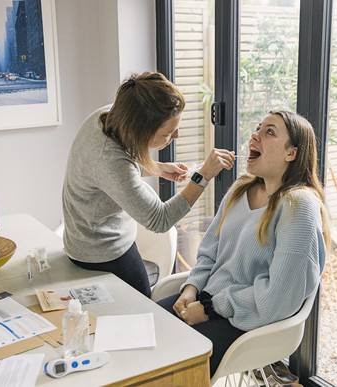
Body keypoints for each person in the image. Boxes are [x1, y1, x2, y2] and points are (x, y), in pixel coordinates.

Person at [157, 110, 331, 377]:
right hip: (206, 302)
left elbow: (277, 298)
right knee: (144, 327)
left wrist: (209, 309)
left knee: (167, 367)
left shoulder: (299, 207)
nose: (255, 135)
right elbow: (209, 251)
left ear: (291, 153)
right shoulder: (241, 188)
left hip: (246, 322)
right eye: (258, 128)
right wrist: (191, 288)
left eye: (269, 132)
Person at [62, 71, 236, 297]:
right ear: (141, 130)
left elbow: (109, 174)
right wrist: (202, 176)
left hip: (81, 238)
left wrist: (158, 167)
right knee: (142, 312)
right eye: (169, 132)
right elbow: (159, 220)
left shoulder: (109, 115)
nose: (177, 136)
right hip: (100, 252)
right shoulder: (109, 159)